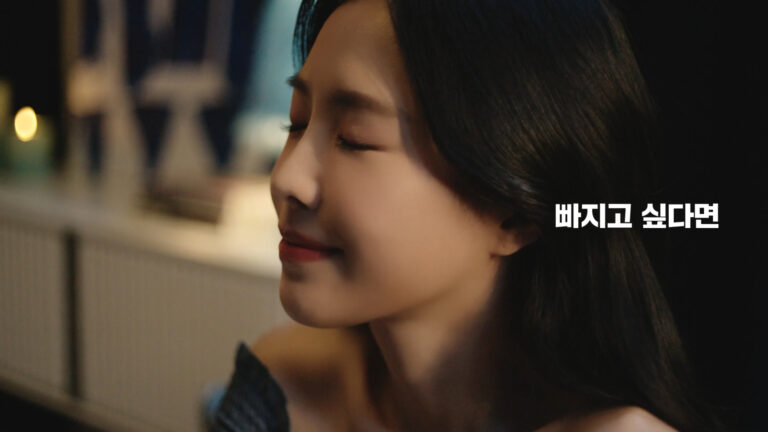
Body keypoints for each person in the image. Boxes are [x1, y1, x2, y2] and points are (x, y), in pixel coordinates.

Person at [212, 0, 724, 430]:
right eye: (297, 123)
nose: (286, 178)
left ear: (515, 214)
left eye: (354, 139)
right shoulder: (285, 390)